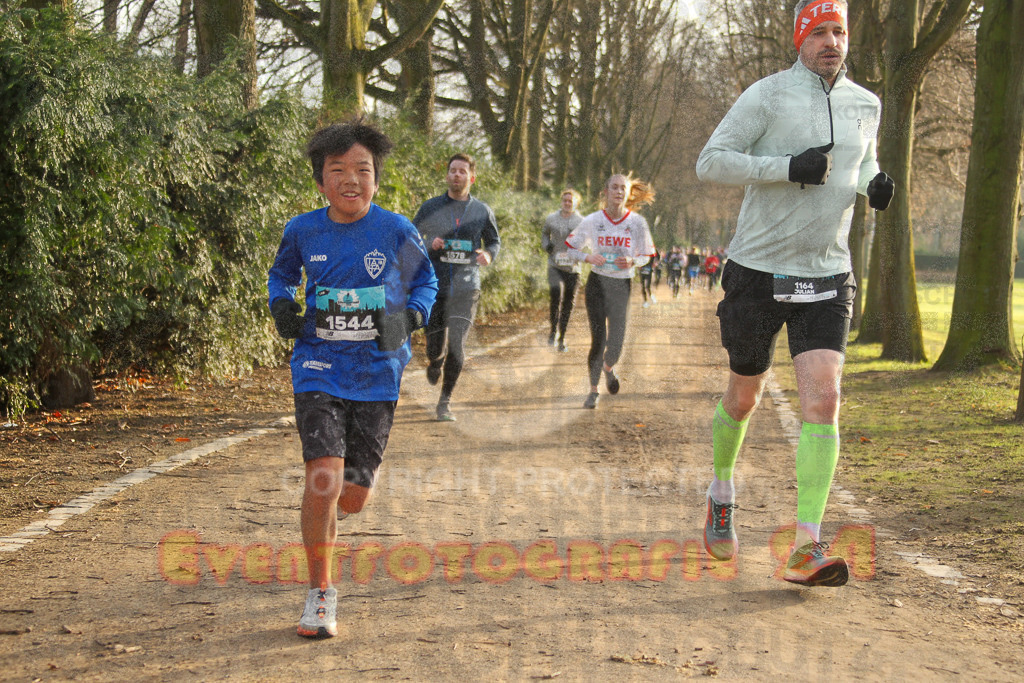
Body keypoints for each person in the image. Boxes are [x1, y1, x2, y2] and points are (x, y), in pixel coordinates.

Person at [695, 0, 894, 587]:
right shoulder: (767, 95)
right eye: (820, 32)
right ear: (800, 40)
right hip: (758, 271)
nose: (832, 42)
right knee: (744, 396)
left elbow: (863, 163)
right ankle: (721, 492)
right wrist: (785, 167)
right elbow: (712, 163)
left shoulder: (866, 104)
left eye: (840, 32)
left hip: (827, 272)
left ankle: (807, 544)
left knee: (824, 401)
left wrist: (874, 184)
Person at [267, 121, 438, 637]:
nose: (350, 179)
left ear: (375, 179)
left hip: (378, 372)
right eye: (337, 170)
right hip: (319, 365)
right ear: (321, 181)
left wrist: (410, 317)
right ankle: (320, 594)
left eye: (362, 170)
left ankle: (336, 506)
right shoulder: (302, 230)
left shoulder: (396, 230)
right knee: (323, 475)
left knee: (351, 496)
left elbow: (425, 282)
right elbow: (281, 275)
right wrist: (282, 304)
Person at [413, 154, 501, 421]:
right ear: (447, 175)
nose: (456, 175)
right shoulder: (431, 207)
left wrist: (489, 254)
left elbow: (494, 241)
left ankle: (445, 402)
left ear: (471, 178)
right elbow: (411, 235)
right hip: (435, 286)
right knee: (434, 345)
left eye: (462, 171)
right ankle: (434, 361)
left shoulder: (482, 210)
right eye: (452, 170)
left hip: (467, 287)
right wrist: (429, 243)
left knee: (457, 347)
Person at [565, 173, 656, 409]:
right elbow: (571, 248)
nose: (618, 192)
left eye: (622, 188)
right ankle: (593, 391)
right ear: (605, 192)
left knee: (616, 344)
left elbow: (646, 255)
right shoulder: (593, 220)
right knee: (598, 340)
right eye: (614, 187)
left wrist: (633, 261)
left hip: (621, 286)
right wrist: (588, 257)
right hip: (597, 284)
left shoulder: (637, 223)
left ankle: (608, 367)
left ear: (628, 193)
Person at [542, 189, 584, 351]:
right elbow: (545, 234)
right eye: (565, 200)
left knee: (568, 302)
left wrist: (580, 251)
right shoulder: (551, 218)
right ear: (561, 202)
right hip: (555, 265)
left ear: (576, 204)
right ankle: (553, 331)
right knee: (555, 296)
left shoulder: (581, 221)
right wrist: (547, 245)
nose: (567, 203)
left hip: (573, 268)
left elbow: (588, 240)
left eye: (570, 201)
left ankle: (562, 338)